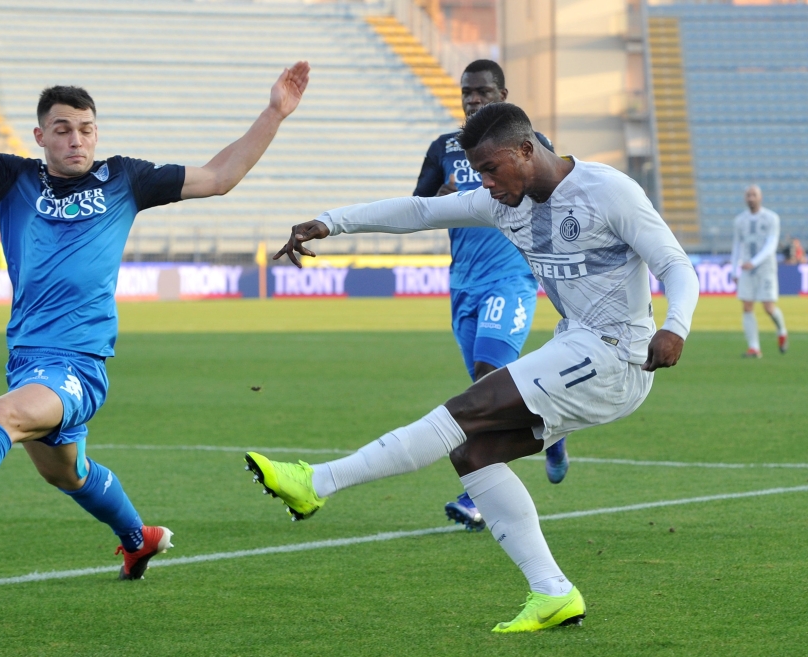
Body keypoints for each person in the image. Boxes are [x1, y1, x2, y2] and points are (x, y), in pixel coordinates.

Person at [254, 103, 698, 632]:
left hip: (616, 353)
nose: (484, 183)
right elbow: (420, 212)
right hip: (579, 345)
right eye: (478, 172)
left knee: (465, 410)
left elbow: (674, 264)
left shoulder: (608, 191)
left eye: (490, 169)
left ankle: (317, 482)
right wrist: (332, 221)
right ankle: (552, 592)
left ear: (526, 150)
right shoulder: (503, 202)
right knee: (472, 452)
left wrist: (676, 326)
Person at [0, 35, 309, 581]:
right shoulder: (14, 178)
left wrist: (274, 113)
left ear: (96, 133)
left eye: (86, 129)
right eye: (62, 129)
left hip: (78, 364)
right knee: (68, 475)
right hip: (27, 360)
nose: (76, 139)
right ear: (41, 136)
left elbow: (219, 177)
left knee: (3, 416)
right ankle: (138, 540)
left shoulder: (124, 179)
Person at [412, 60, 567, 532]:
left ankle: (474, 494)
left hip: (510, 277)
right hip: (463, 284)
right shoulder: (444, 148)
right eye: (466, 92)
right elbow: (417, 206)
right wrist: (440, 200)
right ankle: (551, 426)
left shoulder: (530, 145)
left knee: (486, 377)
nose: (473, 99)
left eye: (482, 91)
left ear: (502, 95)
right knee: (489, 390)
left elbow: (554, 200)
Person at [731, 184, 787, 357]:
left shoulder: (771, 218)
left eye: (754, 195)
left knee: (768, 307)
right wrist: (734, 270)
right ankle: (754, 348)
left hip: (766, 268)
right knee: (747, 306)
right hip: (747, 269)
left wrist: (753, 262)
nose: (751, 198)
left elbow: (771, 245)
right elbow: (737, 245)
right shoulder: (740, 221)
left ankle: (782, 330)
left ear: (760, 197)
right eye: (748, 195)